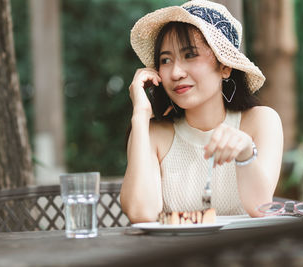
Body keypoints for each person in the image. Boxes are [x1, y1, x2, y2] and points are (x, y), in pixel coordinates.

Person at [120, 0, 283, 223]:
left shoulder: (261, 121)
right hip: (174, 256)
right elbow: (141, 213)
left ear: (225, 67)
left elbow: (261, 209)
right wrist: (139, 115)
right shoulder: (153, 134)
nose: (176, 73)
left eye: (190, 55)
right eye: (165, 60)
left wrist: (245, 153)